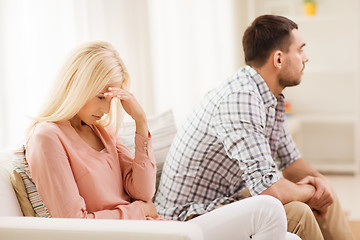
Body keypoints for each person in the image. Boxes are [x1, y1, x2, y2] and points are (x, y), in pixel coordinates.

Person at [25, 41, 300, 240]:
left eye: (112, 100)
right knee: (267, 208)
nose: (107, 110)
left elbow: (143, 192)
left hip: (156, 227)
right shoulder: (47, 137)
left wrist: (141, 124)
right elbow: (74, 225)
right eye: (101, 97)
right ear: (78, 85)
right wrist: (138, 211)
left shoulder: (99, 130)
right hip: (139, 232)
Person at [155, 15, 354, 240]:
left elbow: (290, 161)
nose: (306, 58)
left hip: (225, 200)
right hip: (189, 217)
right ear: (278, 59)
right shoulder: (241, 98)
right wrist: (311, 191)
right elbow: (269, 190)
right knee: (299, 213)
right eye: (300, 50)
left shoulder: (270, 97)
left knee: (324, 189)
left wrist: (321, 183)